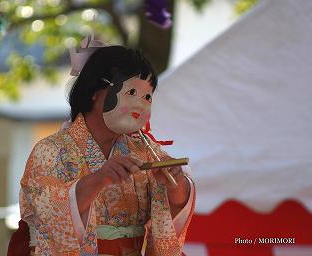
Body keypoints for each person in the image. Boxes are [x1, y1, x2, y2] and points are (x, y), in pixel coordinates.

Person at [16, 38, 196, 256]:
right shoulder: (51, 151)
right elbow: (48, 213)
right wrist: (98, 179)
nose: (140, 104)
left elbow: (173, 207)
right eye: (131, 92)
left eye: (147, 96)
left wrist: (175, 185)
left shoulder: (145, 151)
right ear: (94, 91)